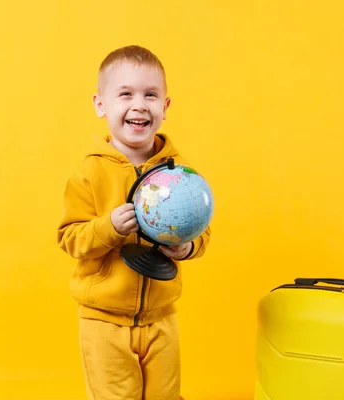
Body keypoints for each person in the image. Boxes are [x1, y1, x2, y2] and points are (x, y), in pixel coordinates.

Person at [57, 45, 211, 400]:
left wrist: (188, 247)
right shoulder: (88, 172)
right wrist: (108, 227)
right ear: (101, 105)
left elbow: (202, 228)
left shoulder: (180, 172)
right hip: (103, 321)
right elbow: (69, 238)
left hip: (161, 317)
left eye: (150, 95)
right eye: (125, 94)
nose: (139, 104)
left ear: (165, 107)